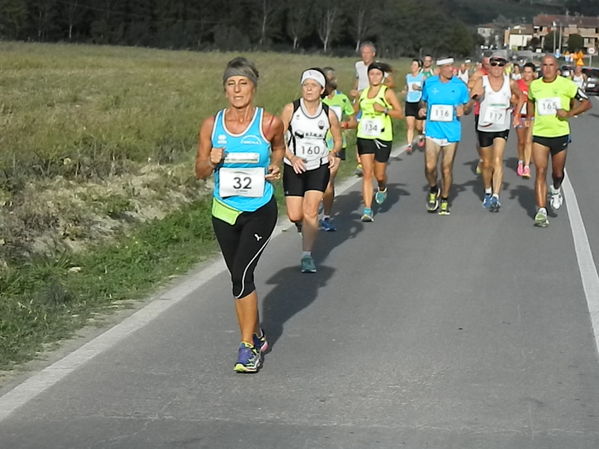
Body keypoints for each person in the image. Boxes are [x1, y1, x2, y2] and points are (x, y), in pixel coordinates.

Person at [195, 57, 285, 373]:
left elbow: (278, 147)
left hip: (259, 210)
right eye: (231, 84)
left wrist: (276, 165)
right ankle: (257, 333)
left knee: (241, 275)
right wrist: (212, 160)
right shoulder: (211, 125)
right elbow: (199, 171)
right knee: (238, 277)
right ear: (224, 90)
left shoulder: (269, 122)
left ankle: (247, 348)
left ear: (253, 87)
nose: (237, 89)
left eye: (243, 83)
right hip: (224, 212)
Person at [281, 68, 341, 271]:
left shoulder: (329, 113)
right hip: (294, 166)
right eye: (305, 85)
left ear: (322, 89)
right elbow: (279, 138)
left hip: (319, 165)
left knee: (311, 211)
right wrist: (291, 156)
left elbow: (338, 139)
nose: (308, 89)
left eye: (313, 86)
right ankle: (301, 226)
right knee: (295, 215)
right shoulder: (291, 109)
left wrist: (333, 153)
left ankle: (307, 256)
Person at [527, 54, 592, 227]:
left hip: (560, 134)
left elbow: (587, 103)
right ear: (541, 67)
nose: (547, 68)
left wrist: (569, 113)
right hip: (540, 134)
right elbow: (530, 101)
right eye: (544, 65)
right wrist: (529, 118)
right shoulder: (535, 85)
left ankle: (555, 190)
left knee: (557, 173)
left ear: (557, 67)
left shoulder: (567, 85)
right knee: (540, 171)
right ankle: (541, 211)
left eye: (551, 65)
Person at [419, 57, 473, 215]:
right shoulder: (430, 83)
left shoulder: (459, 86)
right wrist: (422, 109)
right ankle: (433, 188)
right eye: (448, 67)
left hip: (451, 133)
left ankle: (444, 199)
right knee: (430, 167)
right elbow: (423, 101)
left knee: (446, 168)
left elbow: (468, 105)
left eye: (452, 66)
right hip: (433, 131)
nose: (452, 69)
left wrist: (465, 109)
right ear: (440, 69)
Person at [471, 52, 521, 212]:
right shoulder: (482, 81)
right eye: (494, 64)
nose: (497, 67)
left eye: (501, 64)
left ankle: (496, 196)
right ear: (489, 66)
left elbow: (521, 97)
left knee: (498, 159)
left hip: (501, 126)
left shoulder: (510, 82)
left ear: (505, 66)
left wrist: (517, 114)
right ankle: (487, 191)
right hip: (485, 126)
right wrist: (478, 96)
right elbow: (474, 96)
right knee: (487, 163)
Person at [354, 62, 403, 221]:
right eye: (372, 74)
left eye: (378, 74)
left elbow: (399, 113)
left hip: (382, 136)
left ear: (382, 77)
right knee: (367, 174)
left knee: (379, 174)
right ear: (368, 76)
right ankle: (367, 209)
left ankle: (382, 187)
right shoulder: (363, 93)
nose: (374, 77)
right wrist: (345, 125)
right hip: (364, 136)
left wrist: (384, 109)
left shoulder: (387, 92)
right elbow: (355, 115)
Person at [320, 67, 357, 231]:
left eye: (332, 79)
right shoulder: (315, 100)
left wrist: (345, 124)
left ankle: (326, 216)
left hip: (336, 145)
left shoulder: (342, 99)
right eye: (326, 79)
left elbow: (354, 120)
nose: (330, 82)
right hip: (316, 146)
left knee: (328, 180)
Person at [350, 42, 395, 176]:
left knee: (373, 130)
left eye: (368, 53)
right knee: (360, 130)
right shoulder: (358, 65)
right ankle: (360, 162)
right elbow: (358, 80)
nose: (365, 55)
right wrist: (354, 90)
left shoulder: (379, 67)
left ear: (373, 54)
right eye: (363, 53)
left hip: (376, 102)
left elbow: (391, 83)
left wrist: (376, 87)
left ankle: (375, 155)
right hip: (361, 101)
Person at [468, 54, 491, 175]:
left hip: (495, 112)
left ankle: (491, 160)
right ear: (482, 64)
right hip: (480, 111)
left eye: (490, 63)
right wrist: (478, 86)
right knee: (481, 138)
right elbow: (470, 86)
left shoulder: (497, 73)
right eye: (486, 64)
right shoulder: (478, 74)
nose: (488, 66)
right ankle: (482, 158)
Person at [513, 62, 536, 178]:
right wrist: (518, 101)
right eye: (525, 72)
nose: (526, 74)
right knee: (521, 141)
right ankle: (520, 161)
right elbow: (512, 98)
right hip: (520, 115)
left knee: (528, 140)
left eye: (529, 72)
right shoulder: (517, 84)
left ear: (533, 73)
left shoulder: (536, 85)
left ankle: (526, 167)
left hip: (532, 116)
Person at [403, 58, 426, 153]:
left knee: (418, 126)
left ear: (419, 68)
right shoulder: (408, 76)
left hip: (419, 103)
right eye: (412, 65)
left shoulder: (423, 77)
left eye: (415, 65)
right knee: (410, 126)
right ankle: (409, 145)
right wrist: (405, 90)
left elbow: (426, 90)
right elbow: (407, 87)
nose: (413, 67)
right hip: (409, 102)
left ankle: (421, 135)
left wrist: (419, 88)